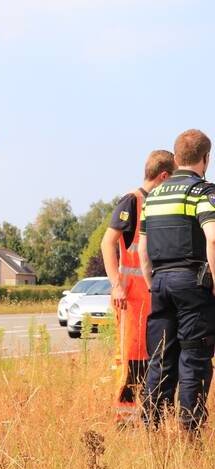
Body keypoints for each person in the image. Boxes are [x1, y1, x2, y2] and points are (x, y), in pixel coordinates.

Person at [138, 130, 215, 431]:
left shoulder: (154, 194)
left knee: (160, 357)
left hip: (159, 283)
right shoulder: (203, 192)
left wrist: (151, 283)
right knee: (194, 355)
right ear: (205, 158)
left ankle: (151, 426)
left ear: (177, 156)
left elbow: (143, 249)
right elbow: (212, 239)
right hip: (192, 284)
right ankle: (189, 430)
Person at [101, 150, 174, 425]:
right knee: (132, 362)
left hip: (151, 297)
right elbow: (108, 242)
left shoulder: (154, 202)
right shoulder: (133, 200)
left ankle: (145, 419)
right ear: (164, 176)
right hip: (131, 298)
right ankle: (126, 423)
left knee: (151, 359)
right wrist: (116, 285)